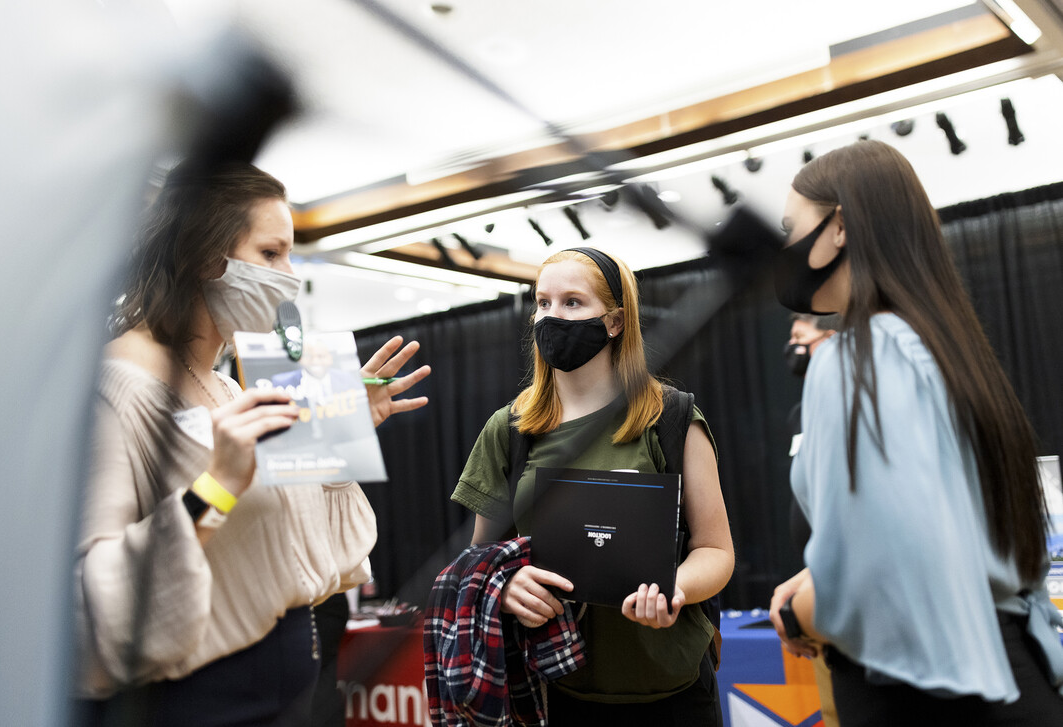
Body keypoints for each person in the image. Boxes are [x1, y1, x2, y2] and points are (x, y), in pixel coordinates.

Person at [73, 160, 431, 726]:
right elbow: (96, 603)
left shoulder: (226, 384)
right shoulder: (110, 388)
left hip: (288, 696)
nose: (288, 276)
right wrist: (216, 485)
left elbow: (318, 563)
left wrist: (340, 435)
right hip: (198, 706)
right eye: (270, 254)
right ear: (201, 254)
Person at [768, 140, 1063, 725]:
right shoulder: (940, 348)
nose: (785, 248)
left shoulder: (859, 356)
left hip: (924, 689)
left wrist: (804, 608)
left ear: (840, 228)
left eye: (790, 227)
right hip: (1011, 669)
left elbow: (883, 570)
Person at [450, 247, 734, 724]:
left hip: (673, 689)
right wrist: (507, 586)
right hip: (556, 689)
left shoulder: (672, 418)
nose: (551, 317)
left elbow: (716, 551)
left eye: (573, 303)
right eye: (542, 303)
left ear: (616, 321)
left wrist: (675, 589)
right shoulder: (510, 429)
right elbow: (478, 562)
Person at [782, 312, 841, 727]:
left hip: (845, 583)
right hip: (813, 578)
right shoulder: (801, 413)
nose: (793, 350)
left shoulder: (856, 404)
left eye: (801, 338)